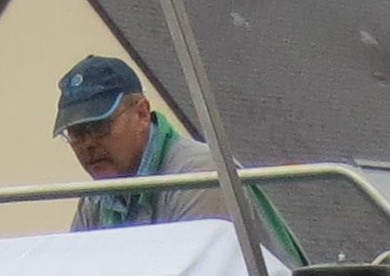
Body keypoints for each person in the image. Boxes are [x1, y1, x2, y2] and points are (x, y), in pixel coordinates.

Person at [56, 56, 305, 256]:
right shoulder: (96, 201)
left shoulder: (200, 176)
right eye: (76, 133)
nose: (88, 144)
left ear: (142, 114)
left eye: (99, 126)